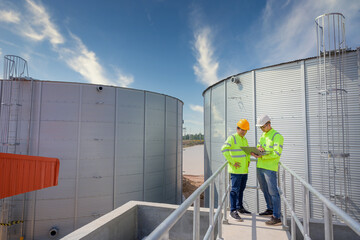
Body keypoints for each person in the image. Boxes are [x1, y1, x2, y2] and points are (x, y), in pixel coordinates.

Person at [251, 114, 284, 226]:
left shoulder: (277, 136)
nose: (261, 129)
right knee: (264, 189)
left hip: (270, 168)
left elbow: (276, 153)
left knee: (273, 192)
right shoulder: (263, 135)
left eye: (262, 127)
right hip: (260, 166)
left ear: (268, 124)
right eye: (260, 127)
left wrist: (263, 156)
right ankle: (270, 209)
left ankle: (276, 217)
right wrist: (257, 151)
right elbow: (260, 147)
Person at [221, 119, 251, 222]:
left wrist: (248, 161)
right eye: (242, 130)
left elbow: (246, 152)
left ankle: (240, 207)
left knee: (241, 189)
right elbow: (224, 149)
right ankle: (233, 210)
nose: (244, 132)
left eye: (246, 130)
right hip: (235, 170)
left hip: (244, 170)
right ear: (237, 128)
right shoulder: (232, 138)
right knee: (234, 190)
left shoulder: (244, 139)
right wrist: (232, 162)